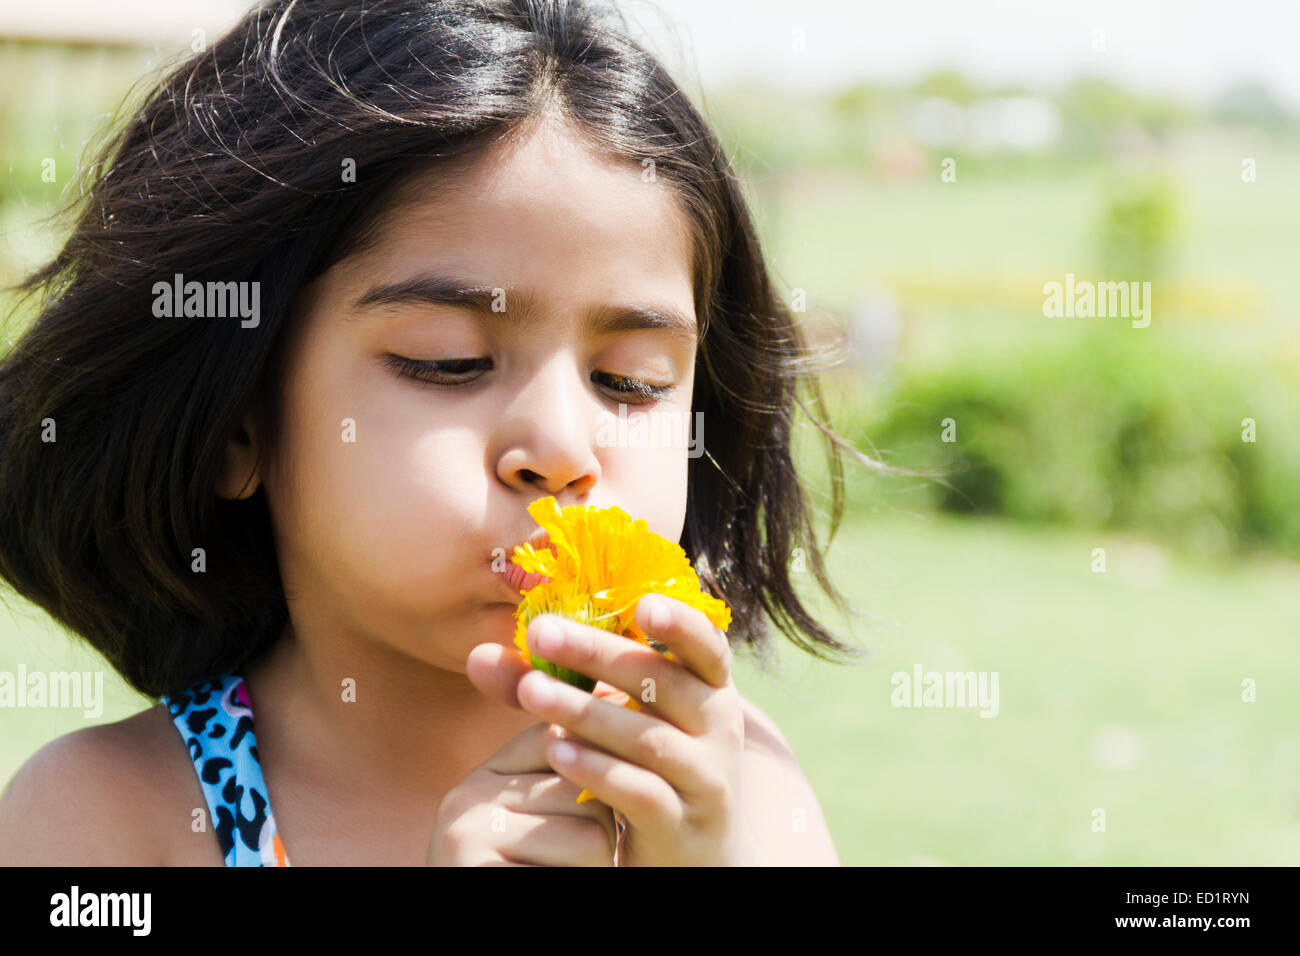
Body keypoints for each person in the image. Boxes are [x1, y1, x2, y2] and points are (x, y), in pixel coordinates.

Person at [0, 0, 879, 866]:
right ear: (237, 424)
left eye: (631, 382)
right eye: (446, 362)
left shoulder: (728, 795)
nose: (563, 450)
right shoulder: (106, 814)